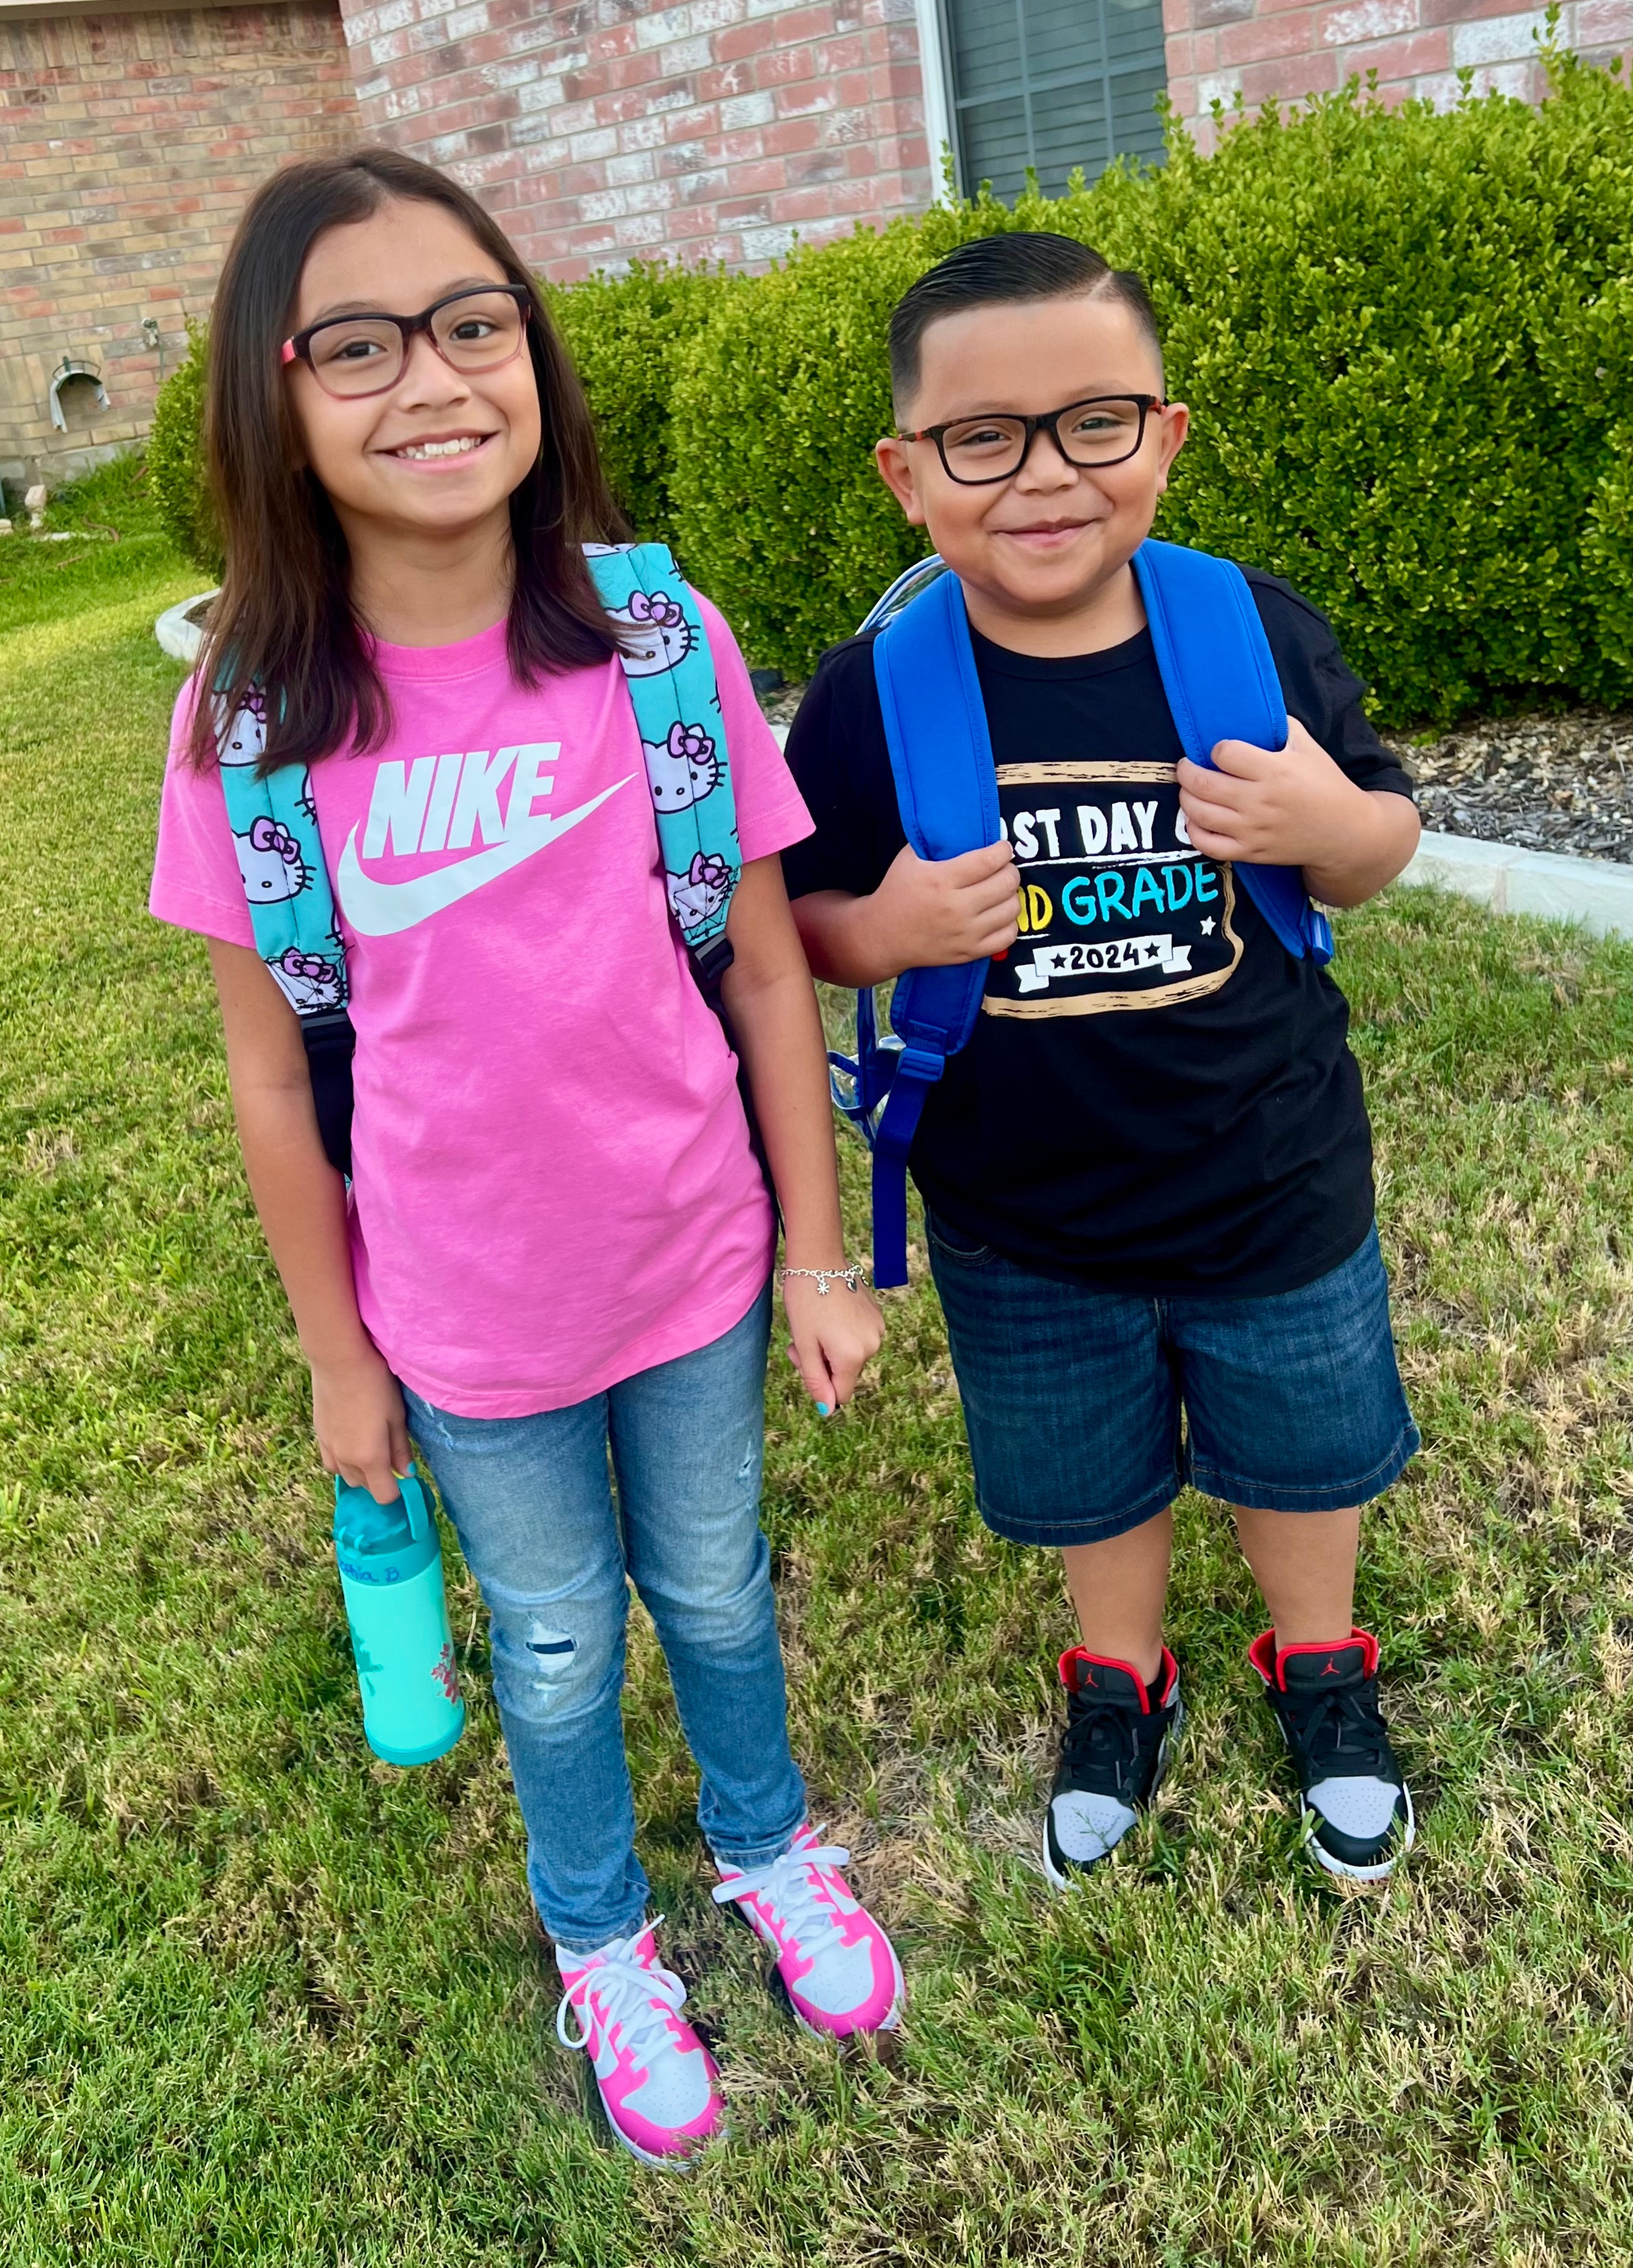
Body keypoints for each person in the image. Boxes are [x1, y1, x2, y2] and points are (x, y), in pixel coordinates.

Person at [149, 148, 903, 2173]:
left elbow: (761, 970)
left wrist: (820, 1257)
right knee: (560, 1638)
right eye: (361, 344)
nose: (435, 380)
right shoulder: (251, 721)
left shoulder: (654, 640)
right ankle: (604, 1938)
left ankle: (768, 1845)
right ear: (274, 395)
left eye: (475, 323)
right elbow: (265, 1081)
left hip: (695, 1256)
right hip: (464, 1311)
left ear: (536, 358)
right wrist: (334, 1358)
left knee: (719, 1591)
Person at [784, 231, 1424, 1889]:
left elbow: (1376, 843)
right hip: (1021, 1211)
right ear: (905, 474)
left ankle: (1319, 1661)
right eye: (980, 440)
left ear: (1165, 434)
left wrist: (1324, 821)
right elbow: (795, 928)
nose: (1042, 476)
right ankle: (1115, 1674)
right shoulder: (871, 695)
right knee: (1086, 1478)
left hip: (1267, 1175)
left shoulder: (1246, 633)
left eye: (1095, 422)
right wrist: (893, 926)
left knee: (1299, 1453)